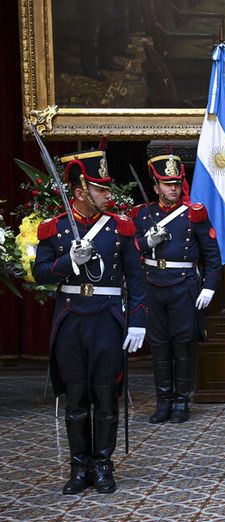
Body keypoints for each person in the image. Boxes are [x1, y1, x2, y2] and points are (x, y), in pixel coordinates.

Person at [35, 146, 147, 494]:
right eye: (100, 189)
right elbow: (40, 274)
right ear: (81, 192)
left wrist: (138, 322)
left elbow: (138, 280)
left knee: (106, 396)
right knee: (76, 398)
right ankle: (78, 467)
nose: (108, 194)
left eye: (107, 187)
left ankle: (103, 465)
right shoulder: (53, 229)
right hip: (71, 321)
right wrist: (69, 260)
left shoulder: (120, 228)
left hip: (106, 320)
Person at [132, 152, 222, 424]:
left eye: (177, 183)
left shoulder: (194, 214)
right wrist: (148, 241)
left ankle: (182, 401)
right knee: (159, 346)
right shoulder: (141, 214)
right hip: (153, 285)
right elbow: (130, 249)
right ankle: (163, 401)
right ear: (155, 186)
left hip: (184, 285)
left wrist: (209, 287)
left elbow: (212, 255)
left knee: (183, 345)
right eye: (167, 184)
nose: (174, 188)